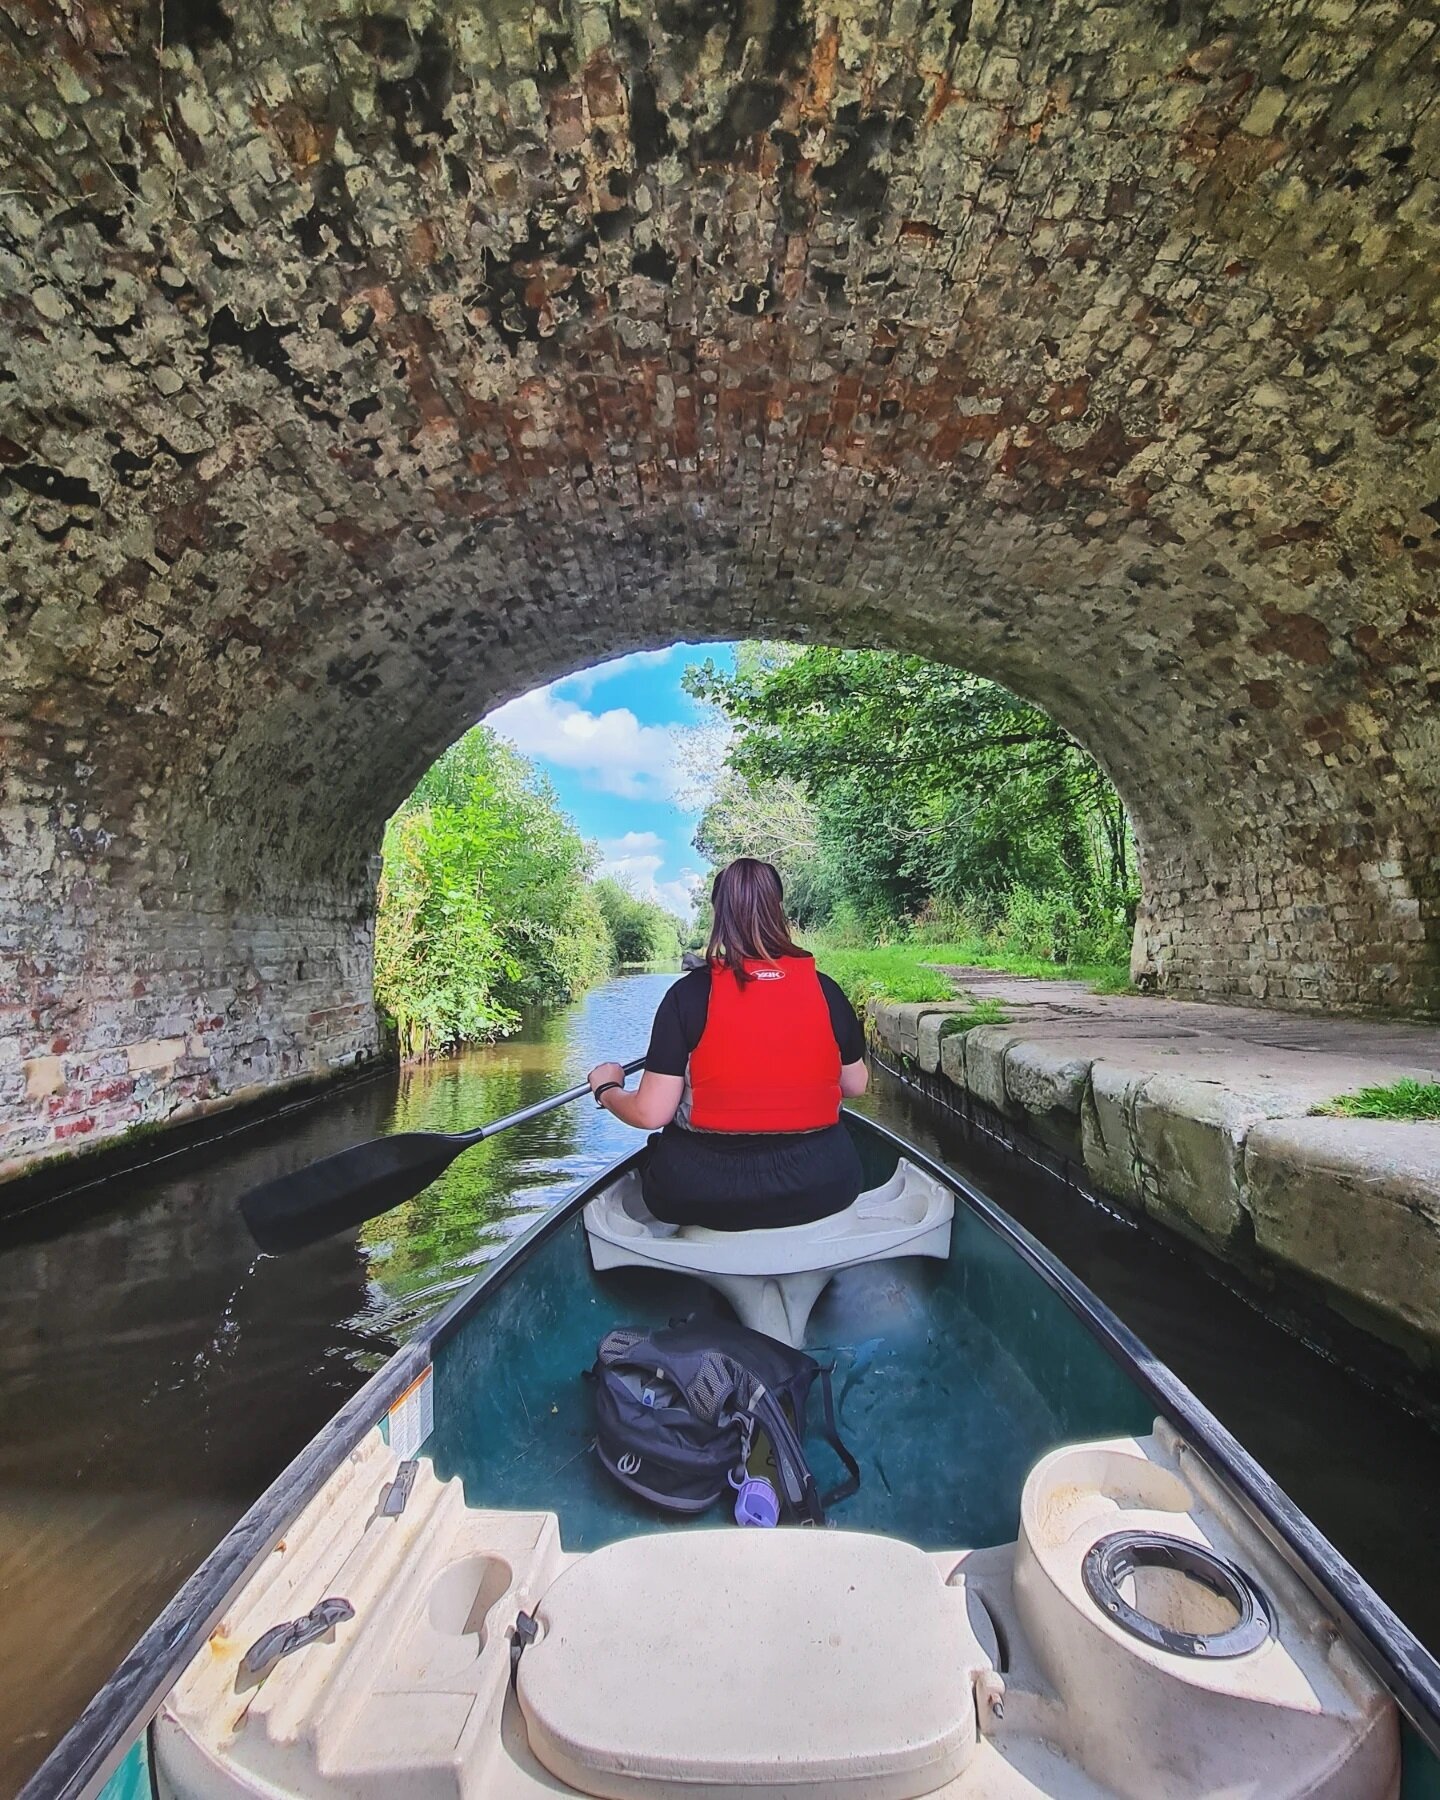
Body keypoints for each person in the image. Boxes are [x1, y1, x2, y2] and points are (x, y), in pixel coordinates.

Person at [587, 858, 869, 1230]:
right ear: (779, 909)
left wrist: (606, 1088)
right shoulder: (825, 990)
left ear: (719, 914)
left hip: (701, 1194)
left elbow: (650, 1113)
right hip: (822, 1185)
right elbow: (855, 1084)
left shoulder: (687, 996)